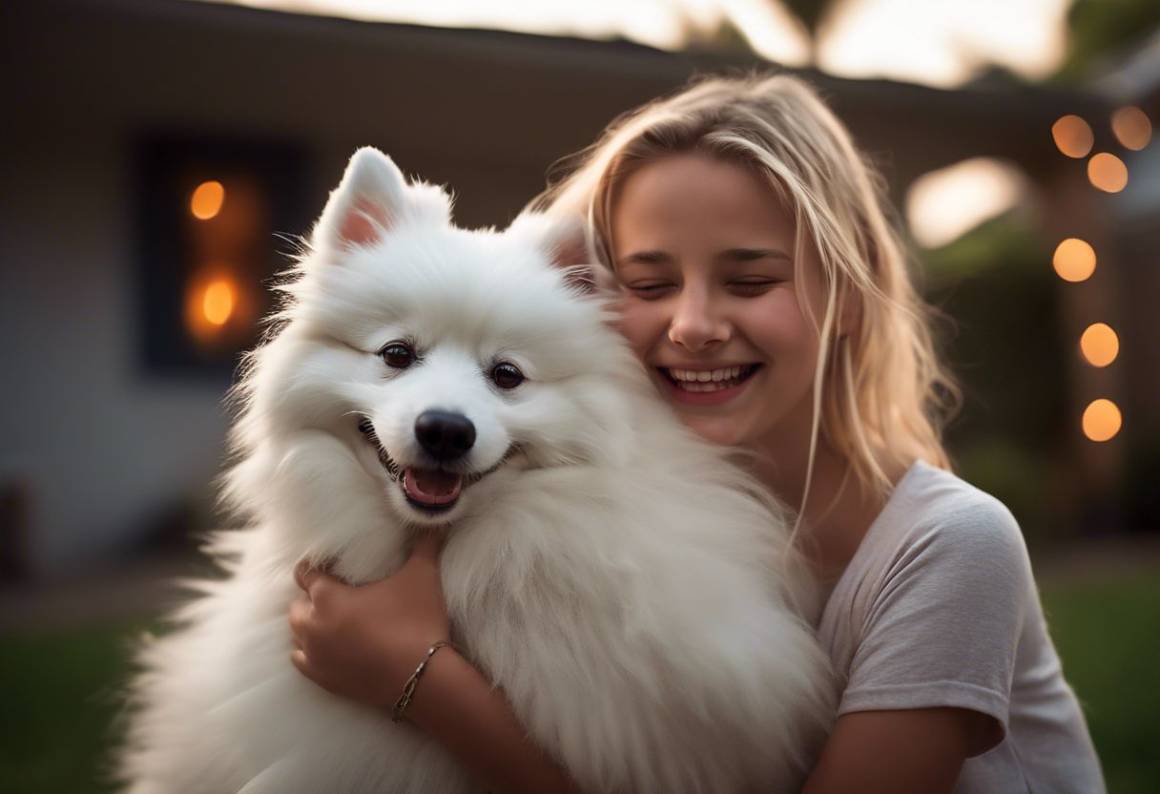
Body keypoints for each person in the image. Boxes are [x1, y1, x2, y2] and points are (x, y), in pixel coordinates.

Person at [288, 74, 1105, 793]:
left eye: (749, 280)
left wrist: (422, 682)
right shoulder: (657, 545)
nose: (694, 324)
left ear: (850, 297)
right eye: (650, 282)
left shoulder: (954, 547)